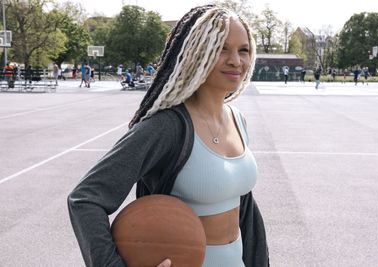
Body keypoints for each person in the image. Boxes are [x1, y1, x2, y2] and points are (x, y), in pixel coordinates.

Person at [68, 5, 268, 267]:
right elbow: (85, 198)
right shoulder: (168, 127)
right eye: (221, 48)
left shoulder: (238, 120)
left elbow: (243, 207)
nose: (236, 60)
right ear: (195, 54)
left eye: (243, 50)